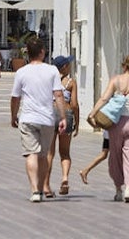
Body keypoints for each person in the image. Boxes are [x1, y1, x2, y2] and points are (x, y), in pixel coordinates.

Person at [10, 36, 67, 203]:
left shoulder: (21, 72)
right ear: (42, 52)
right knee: (43, 155)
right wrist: (62, 117)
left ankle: (35, 190)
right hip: (47, 119)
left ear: (28, 53)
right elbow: (58, 94)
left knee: (31, 154)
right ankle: (41, 188)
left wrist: (13, 115)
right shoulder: (52, 71)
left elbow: (15, 97)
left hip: (27, 117)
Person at [90, 53, 129, 203]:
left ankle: (118, 189)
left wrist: (93, 112)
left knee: (115, 156)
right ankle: (128, 188)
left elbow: (104, 98)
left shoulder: (116, 80)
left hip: (115, 123)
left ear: (124, 66)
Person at [52, 55, 79, 195]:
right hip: (67, 115)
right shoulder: (71, 83)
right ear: (64, 67)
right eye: (68, 64)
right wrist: (77, 122)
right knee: (65, 152)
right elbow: (74, 104)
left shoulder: (50, 81)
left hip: (51, 114)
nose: (70, 66)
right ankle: (64, 178)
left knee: (49, 152)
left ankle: (45, 183)